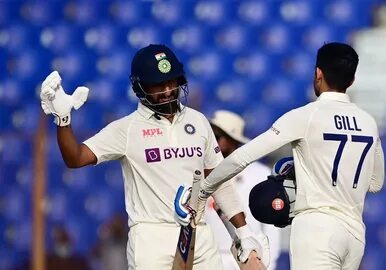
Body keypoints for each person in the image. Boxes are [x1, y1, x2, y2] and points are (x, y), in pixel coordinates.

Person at [39, 44, 265, 269]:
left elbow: (218, 181)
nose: (168, 90)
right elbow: (75, 158)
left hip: (199, 233)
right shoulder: (127, 129)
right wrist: (63, 118)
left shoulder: (198, 122)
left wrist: (244, 232)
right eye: (158, 85)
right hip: (152, 237)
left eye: (172, 81)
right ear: (140, 87)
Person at [194, 42, 385, 270]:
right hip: (354, 234)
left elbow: (241, 157)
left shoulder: (306, 116)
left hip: (317, 229)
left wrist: (206, 188)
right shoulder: (368, 122)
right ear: (352, 80)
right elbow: (375, 183)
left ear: (318, 74)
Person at [202, 110, 281, 270]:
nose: (210, 143)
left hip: (248, 259)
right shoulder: (198, 172)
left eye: (216, 137)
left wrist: (269, 263)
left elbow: (272, 225)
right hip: (209, 258)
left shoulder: (260, 174)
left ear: (233, 141)